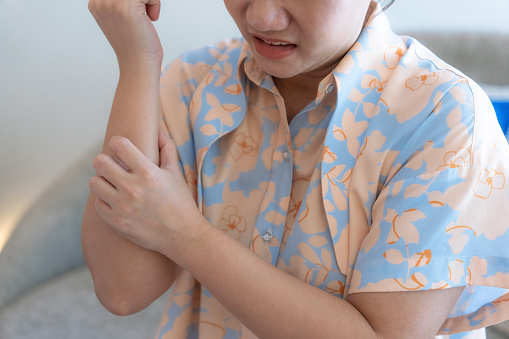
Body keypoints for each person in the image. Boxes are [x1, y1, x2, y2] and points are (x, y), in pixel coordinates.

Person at [82, 0, 509, 337]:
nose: (262, 16)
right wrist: (137, 62)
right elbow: (123, 290)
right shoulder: (197, 81)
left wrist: (181, 232)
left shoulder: (445, 116)